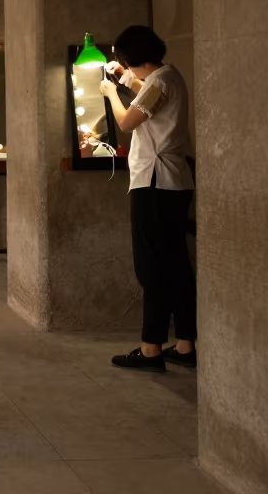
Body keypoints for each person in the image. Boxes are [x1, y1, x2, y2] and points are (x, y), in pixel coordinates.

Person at [99, 25, 196, 372]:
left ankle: (151, 348)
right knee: (177, 266)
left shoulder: (160, 82)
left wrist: (110, 92)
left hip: (154, 183)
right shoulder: (169, 77)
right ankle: (186, 344)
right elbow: (150, 97)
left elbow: (127, 122)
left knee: (152, 267)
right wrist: (125, 77)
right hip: (174, 182)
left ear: (131, 57)